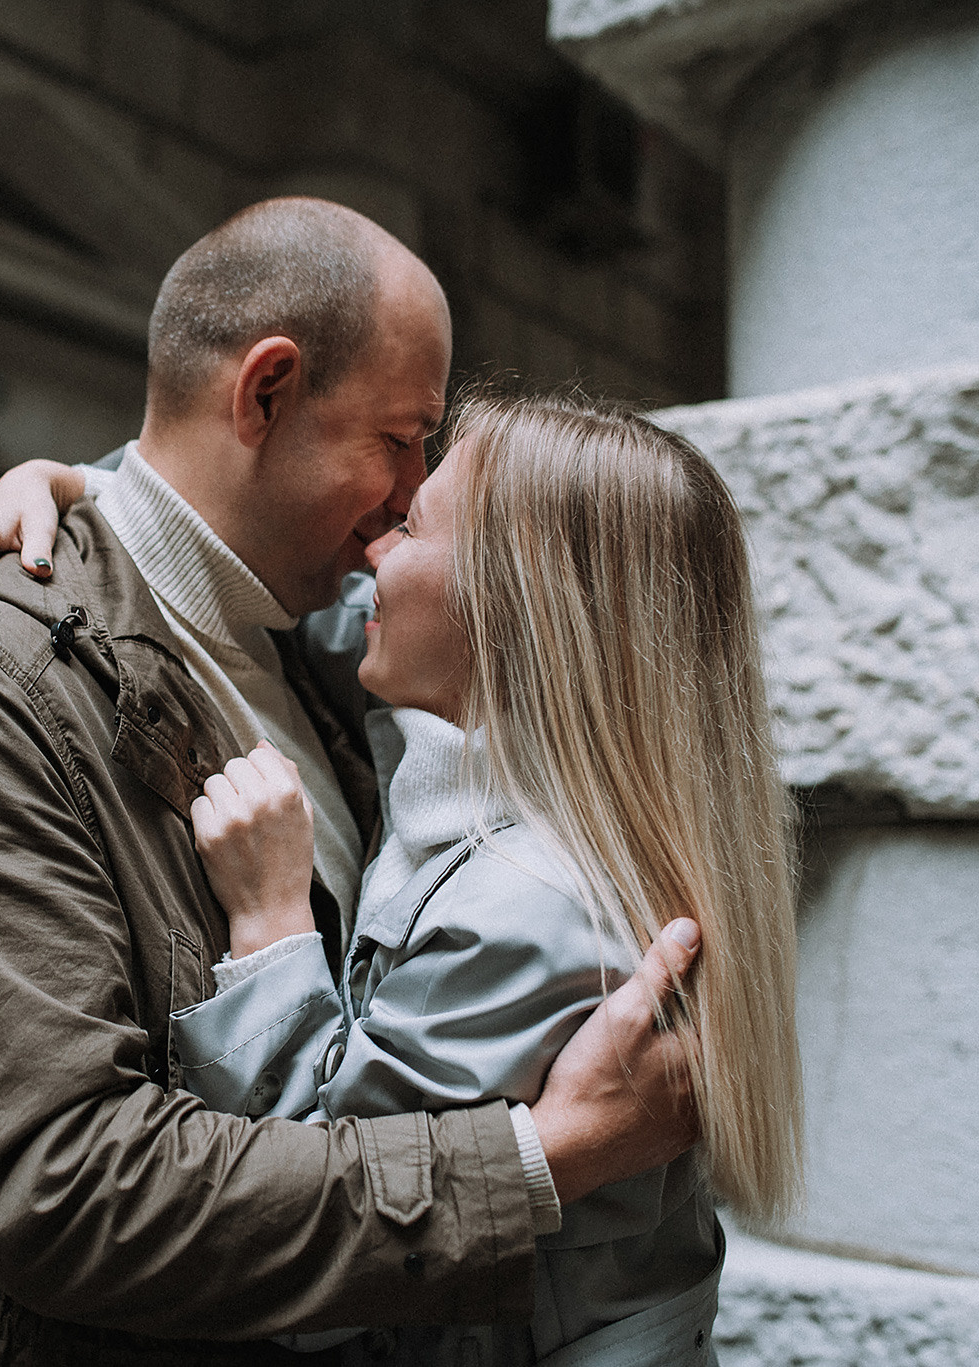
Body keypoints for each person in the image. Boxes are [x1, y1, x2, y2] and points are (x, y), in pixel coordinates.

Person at [0, 198, 703, 1367]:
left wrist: (81, 477)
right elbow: (57, 1188)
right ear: (264, 392)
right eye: (402, 439)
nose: (409, 498)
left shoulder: (321, 634)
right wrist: (542, 1157)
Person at [173, 393, 804, 1364]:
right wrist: (83, 492)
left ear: (510, 604)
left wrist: (269, 917)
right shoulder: (496, 763)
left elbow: (313, 1252)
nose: (371, 554)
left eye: (412, 525)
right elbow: (263, 574)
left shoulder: (531, 907)